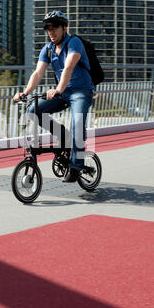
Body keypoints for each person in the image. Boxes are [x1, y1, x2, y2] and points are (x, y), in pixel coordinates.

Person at [13, 10, 95, 182]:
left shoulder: (74, 43)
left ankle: (76, 166)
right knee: (32, 110)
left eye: (55, 27)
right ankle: (63, 136)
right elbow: (38, 72)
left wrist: (58, 89)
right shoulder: (48, 49)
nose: (51, 31)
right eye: (48, 28)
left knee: (78, 122)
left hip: (81, 91)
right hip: (62, 92)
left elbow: (68, 67)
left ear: (64, 27)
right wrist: (25, 93)